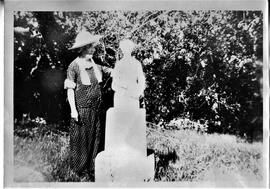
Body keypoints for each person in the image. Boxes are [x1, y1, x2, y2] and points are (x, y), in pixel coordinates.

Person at [64, 30, 103, 180]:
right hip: (81, 109)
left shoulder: (95, 66)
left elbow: (108, 74)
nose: (93, 49)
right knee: (81, 139)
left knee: (94, 138)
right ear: (81, 49)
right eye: (89, 47)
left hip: (95, 109)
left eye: (93, 47)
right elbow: (70, 90)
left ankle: (91, 168)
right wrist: (74, 110)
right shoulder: (73, 66)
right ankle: (79, 171)